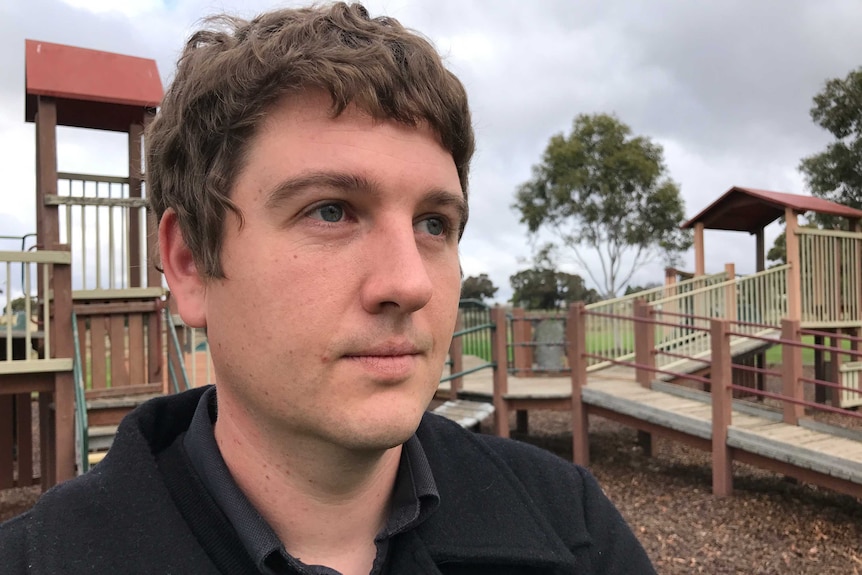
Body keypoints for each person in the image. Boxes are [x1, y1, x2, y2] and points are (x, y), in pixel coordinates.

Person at [0, 3, 656, 573]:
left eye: (435, 223)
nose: (408, 283)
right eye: (331, 210)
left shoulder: (574, 531)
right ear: (190, 262)